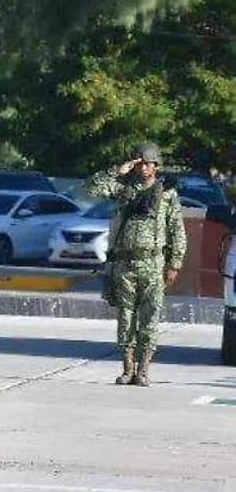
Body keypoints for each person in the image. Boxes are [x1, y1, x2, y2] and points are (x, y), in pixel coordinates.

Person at [84, 143, 187, 386]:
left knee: (150, 318)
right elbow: (90, 188)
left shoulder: (167, 194)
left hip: (153, 261)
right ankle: (127, 367)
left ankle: (143, 370)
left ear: (156, 166)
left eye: (149, 163)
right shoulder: (124, 189)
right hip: (125, 263)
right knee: (126, 318)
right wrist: (116, 171)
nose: (144, 167)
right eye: (140, 163)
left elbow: (177, 231)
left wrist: (174, 263)